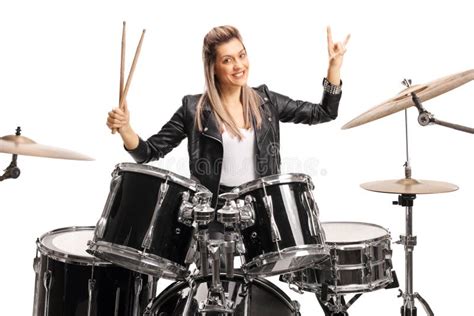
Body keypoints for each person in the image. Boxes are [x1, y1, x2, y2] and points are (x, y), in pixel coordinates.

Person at [106, 25, 349, 207]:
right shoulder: (193, 108)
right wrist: (126, 128)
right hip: (212, 211)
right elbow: (148, 152)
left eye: (241, 55)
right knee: (215, 275)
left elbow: (324, 112)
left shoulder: (266, 101)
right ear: (213, 67)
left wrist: (334, 68)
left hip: (261, 206)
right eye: (227, 60)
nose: (239, 65)